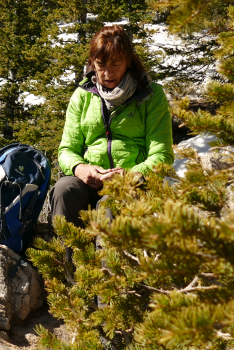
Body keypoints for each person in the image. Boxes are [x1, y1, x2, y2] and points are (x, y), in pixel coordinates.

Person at [52, 25, 174, 227]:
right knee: (64, 189)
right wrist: (80, 168)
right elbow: (67, 150)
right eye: (101, 65)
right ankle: (67, 258)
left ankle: (108, 259)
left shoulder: (151, 95)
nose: (107, 73)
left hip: (132, 183)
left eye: (115, 64)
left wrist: (130, 175)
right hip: (90, 183)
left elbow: (162, 154)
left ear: (128, 62)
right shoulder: (83, 95)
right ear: (93, 64)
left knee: (112, 204)